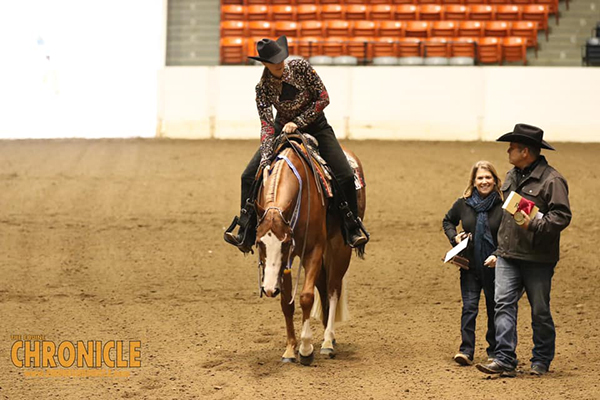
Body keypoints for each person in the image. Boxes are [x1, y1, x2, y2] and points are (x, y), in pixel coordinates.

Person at [224, 36, 369, 253]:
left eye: (281, 59)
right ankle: (248, 228)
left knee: (345, 174)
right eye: (274, 61)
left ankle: (351, 225)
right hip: (282, 130)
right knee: (248, 176)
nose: (280, 63)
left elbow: (323, 97)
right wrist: (265, 158)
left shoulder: (301, 67)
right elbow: (266, 125)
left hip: (317, 127)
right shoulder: (262, 88)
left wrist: (298, 122)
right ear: (264, 64)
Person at [476, 123, 572, 377]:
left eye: (513, 147)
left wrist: (536, 223)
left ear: (525, 152)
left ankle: (541, 359)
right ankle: (505, 358)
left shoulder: (552, 180)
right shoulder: (511, 176)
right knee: (503, 304)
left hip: (537, 258)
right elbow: (506, 216)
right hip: (508, 254)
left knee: (540, 310)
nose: (508, 151)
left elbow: (562, 216)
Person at [443, 161, 504, 366]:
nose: (484, 181)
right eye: (480, 178)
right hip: (469, 266)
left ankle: (494, 351)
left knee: (493, 308)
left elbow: (509, 235)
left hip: (494, 266)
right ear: (474, 181)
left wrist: (498, 254)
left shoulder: (503, 205)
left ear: (495, 180)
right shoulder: (464, 203)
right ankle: (466, 350)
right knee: (469, 308)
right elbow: (447, 221)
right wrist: (455, 238)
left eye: (488, 177)